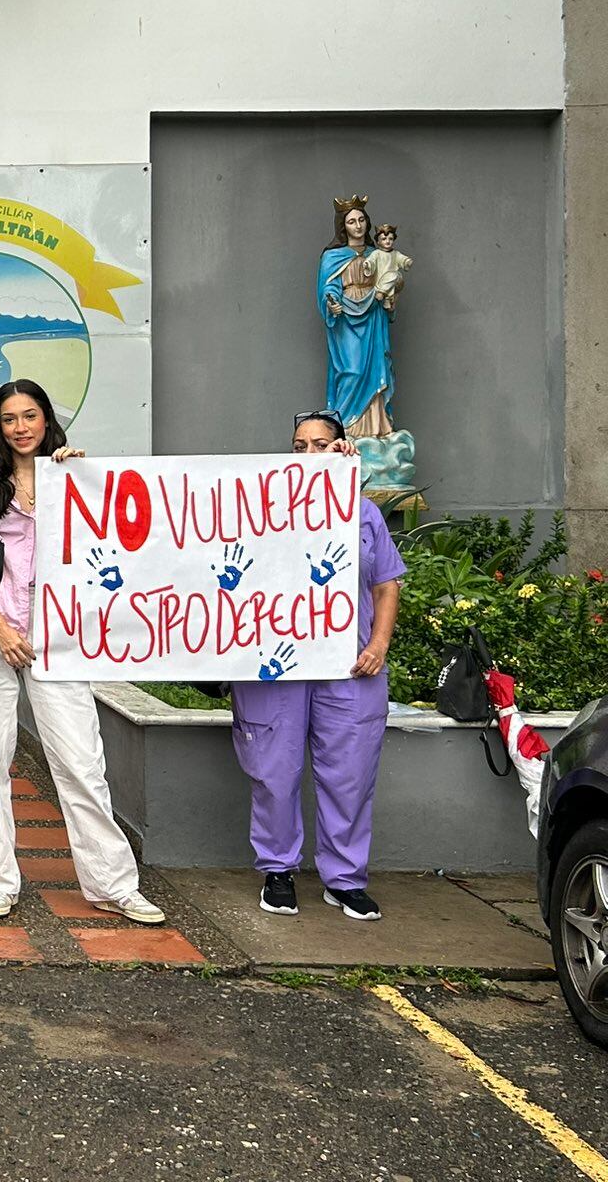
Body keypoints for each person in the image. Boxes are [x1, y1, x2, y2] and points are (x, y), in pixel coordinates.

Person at [0, 380, 165, 925]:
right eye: (10, 418)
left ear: (47, 420)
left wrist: (80, 478)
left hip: (57, 634)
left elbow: (113, 543)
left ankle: (113, 883)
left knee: (81, 761)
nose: (21, 427)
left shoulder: (71, 477)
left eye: (31, 415)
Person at [229, 409, 405, 921]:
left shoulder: (363, 513)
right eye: (299, 445)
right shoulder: (259, 506)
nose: (309, 454)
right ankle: (278, 871)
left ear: (342, 449)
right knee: (274, 770)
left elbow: (386, 583)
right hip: (275, 664)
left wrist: (378, 644)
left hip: (350, 666)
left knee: (349, 773)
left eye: (321, 444)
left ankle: (344, 879)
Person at [318, 196, 394, 439]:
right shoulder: (333, 257)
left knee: (374, 369)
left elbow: (389, 280)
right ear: (344, 226)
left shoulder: (377, 253)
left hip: (372, 315)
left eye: (362, 220)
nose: (358, 226)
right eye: (352, 221)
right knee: (351, 370)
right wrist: (332, 302)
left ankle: (375, 430)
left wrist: (391, 294)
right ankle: (346, 430)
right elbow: (328, 287)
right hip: (347, 320)